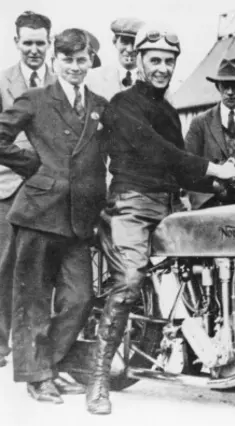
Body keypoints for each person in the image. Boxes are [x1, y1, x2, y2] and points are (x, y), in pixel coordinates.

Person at [85, 24, 235, 415]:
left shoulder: (171, 112)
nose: (161, 68)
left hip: (168, 205)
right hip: (131, 205)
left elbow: (183, 172)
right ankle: (98, 380)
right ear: (139, 61)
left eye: (168, 61)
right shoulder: (121, 104)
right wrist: (213, 167)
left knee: (211, 263)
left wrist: (225, 176)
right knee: (130, 280)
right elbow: (155, 151)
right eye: (154, 60)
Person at [0, 28, 108, 403]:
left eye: (82, 61)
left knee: (80, 297)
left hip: (79, 219)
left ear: (89, 62)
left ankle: (51, 362)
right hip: (38, 213)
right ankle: (36, 376)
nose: (75, 67)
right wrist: (32, 166)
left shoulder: (99, 104)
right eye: (68, 60)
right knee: (32, 299)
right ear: (55, 60)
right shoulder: (34, 99)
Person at [0, 10, 56, 369]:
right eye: (28, 43)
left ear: (50, 44)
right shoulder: (2, 82)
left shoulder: (59, 82)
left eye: (41, 43)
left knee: (40, 269)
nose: (34, 50)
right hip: (7, 185)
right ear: (17, 42)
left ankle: (37, 347)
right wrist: (27, 161)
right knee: (3, 264)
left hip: (47, 191)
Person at [185, 58, 235, 209]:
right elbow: (187, 167)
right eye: (225, 86)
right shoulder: (200, 123)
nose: (230, 92)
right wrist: (210, 191)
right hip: (209, 205)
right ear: (218, 87)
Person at [85, 17, 145, 100]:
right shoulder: (94, 77)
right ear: (115, 42)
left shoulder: (152, 79)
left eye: (135, 43)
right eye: (125, 42)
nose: (130, 49)